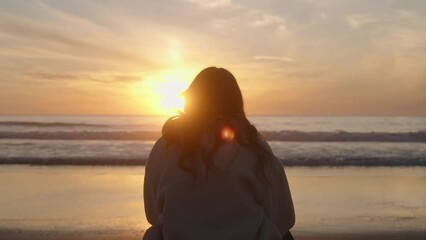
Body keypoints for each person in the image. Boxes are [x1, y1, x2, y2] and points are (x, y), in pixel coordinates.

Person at [143, 67, 295, 240]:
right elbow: (283, 216)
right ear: (236, 103)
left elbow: (152, 213)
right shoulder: (252, 145)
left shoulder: (165, 146)